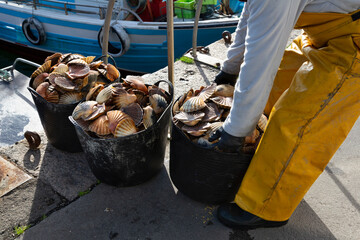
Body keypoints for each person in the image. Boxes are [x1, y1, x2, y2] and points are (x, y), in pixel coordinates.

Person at [209, 0, 360, 229]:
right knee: (274, 87)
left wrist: (236, 130)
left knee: (298, 120)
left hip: (353, 43)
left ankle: (264, 207)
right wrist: (229, 69)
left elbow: (260, 61)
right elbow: (251, 16)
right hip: (328, 31)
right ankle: (259, 155)